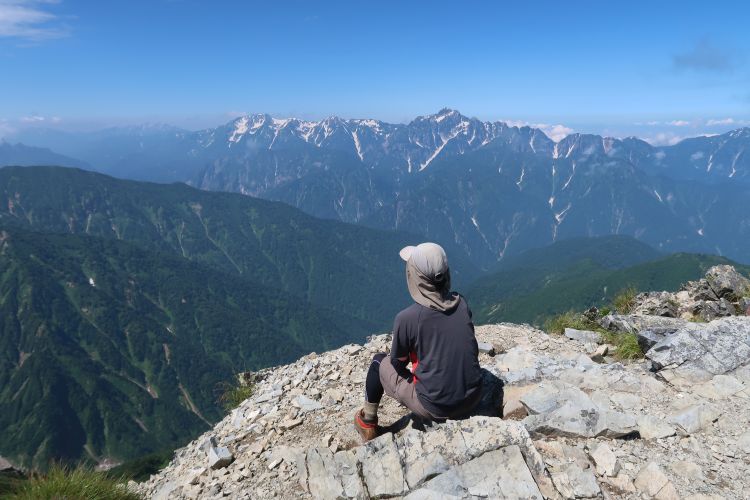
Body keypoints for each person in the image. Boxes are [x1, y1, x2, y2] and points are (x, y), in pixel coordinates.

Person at [354, 242, 482, 442]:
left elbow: (397, 363)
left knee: (378, 362)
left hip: (436, 406)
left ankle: (367, 423)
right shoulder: (462, 303)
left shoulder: (408, 318)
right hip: (474, 397)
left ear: (415, 277)